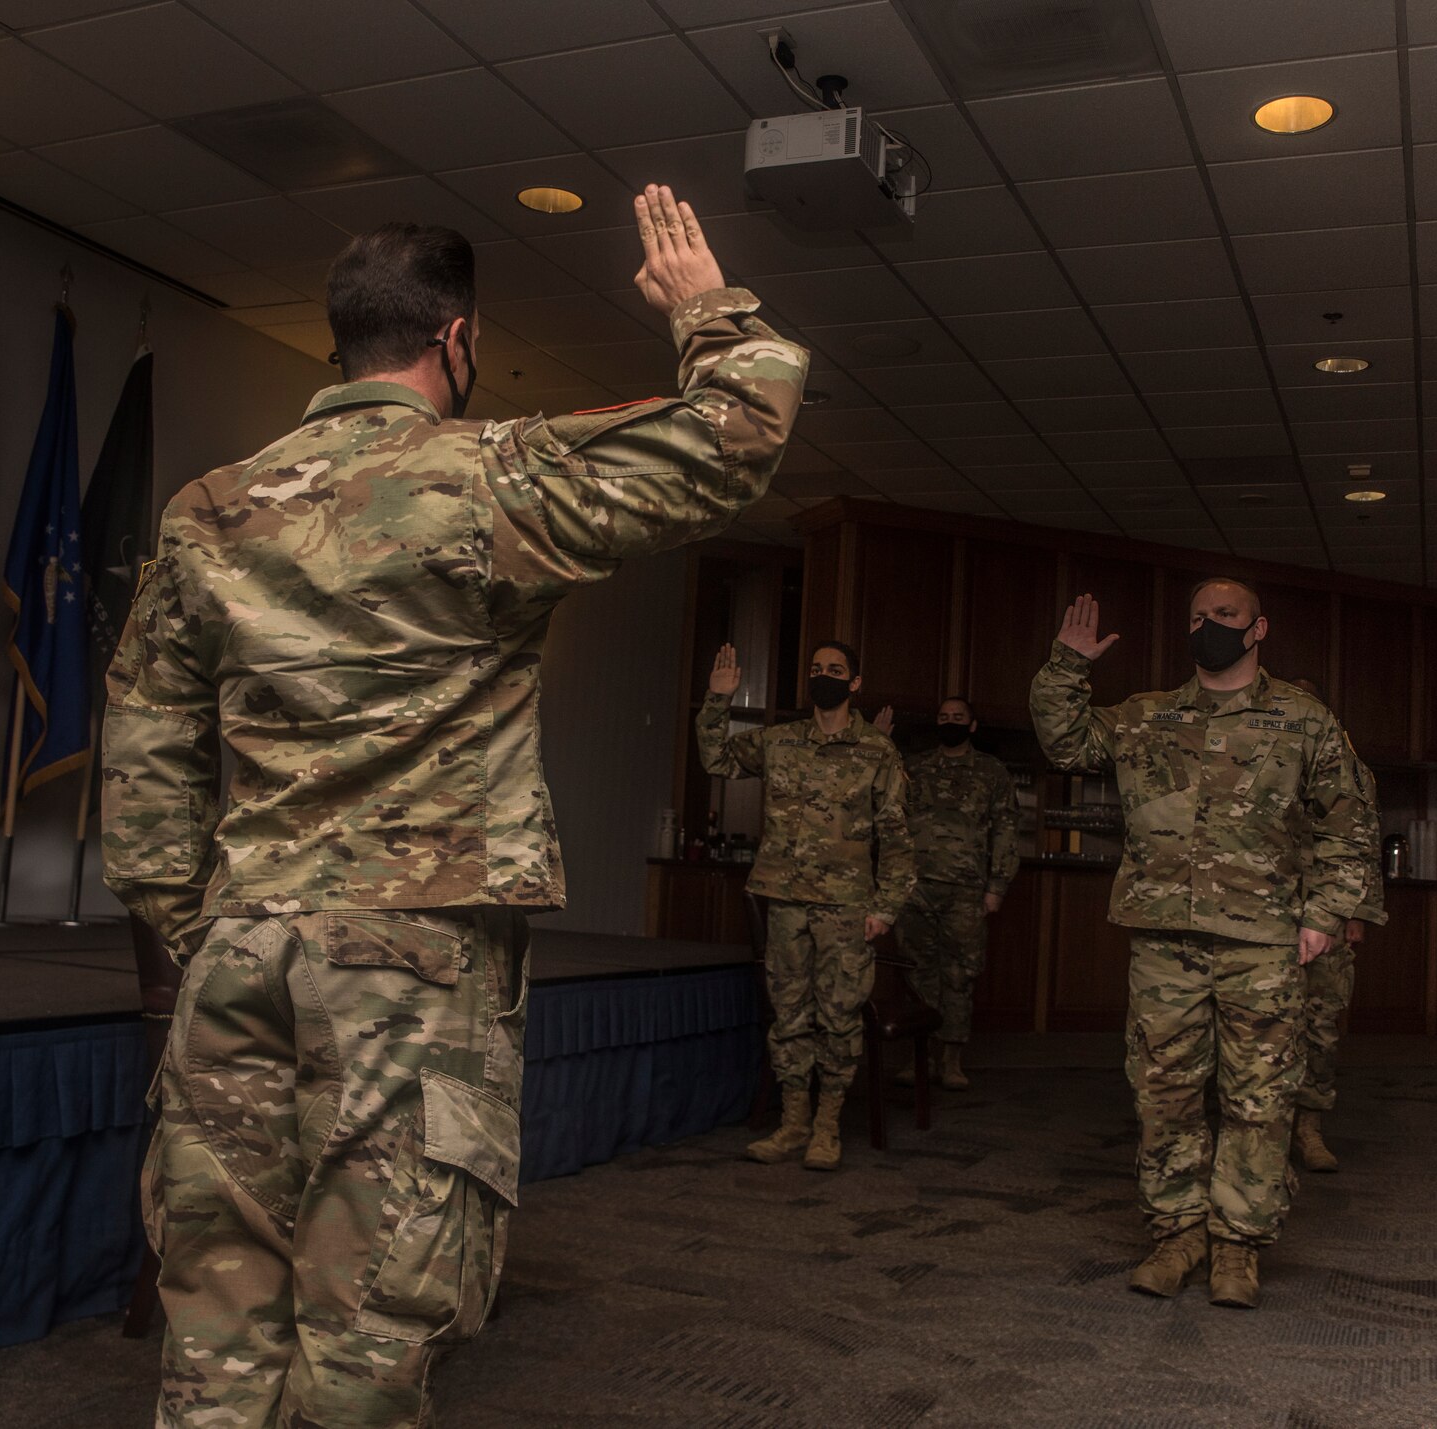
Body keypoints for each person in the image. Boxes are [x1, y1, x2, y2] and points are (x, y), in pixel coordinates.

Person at [102, 185, 806, 1429]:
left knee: (213, 1328)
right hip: (408, 965)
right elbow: (735, 432)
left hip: (241, 944)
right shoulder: (491, 476)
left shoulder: (207, 513)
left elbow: (146, 746)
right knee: (370, 1325)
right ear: (455, 338)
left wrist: (192, 916)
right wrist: (706, 310)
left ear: (344, 340)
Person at [1030, 579, 1374, 1310]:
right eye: (1196, 616)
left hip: (1263, 940)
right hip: (1165, 941)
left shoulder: (1304, 720)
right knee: (1164, 1092)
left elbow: (1348, 823)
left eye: (1224, 616)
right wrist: (1067, 663)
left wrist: (1325, 911)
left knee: (1259, 1098)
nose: (1207, 626)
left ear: (1258, 629)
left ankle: (1238, 1247)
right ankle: (1177, 1232)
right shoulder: (1148, 715)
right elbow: (1065, 742)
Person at [696, 639, 914, 1171]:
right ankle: (793, 1124)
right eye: (815, 668)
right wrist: (717, 700)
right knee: (789, 1016)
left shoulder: (877, 753)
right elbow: (717, 759)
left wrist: (886, 908)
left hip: (846, 907)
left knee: (839, 1019)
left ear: (855, 683)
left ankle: (827, 1127)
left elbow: (899, 837)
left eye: (835, 670)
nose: (824, 676)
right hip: (786, 902)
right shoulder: (781, 741)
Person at [875, 697, 1020, 1090]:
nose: (950, 722)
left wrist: (997, 886)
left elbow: (1007, 830)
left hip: (967, 891)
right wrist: (878, 744)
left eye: (958, 718)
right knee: (916, 974)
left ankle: (951, 1059)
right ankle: (917, 1056)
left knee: (960, 974)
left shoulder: (992, 772)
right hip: (915, 887)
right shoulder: (914, 767)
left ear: (972, 725)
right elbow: (883, 810)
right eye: (943, 717)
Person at [1286, 677, 1387, 1175]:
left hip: (1327, 912)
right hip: (1260, 913)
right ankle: (1252, 1129)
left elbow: (1363, 842)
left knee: (1319, 1028)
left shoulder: (1351, 768)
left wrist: (1357, 913)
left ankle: (1308, 1127)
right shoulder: (1257, 752)